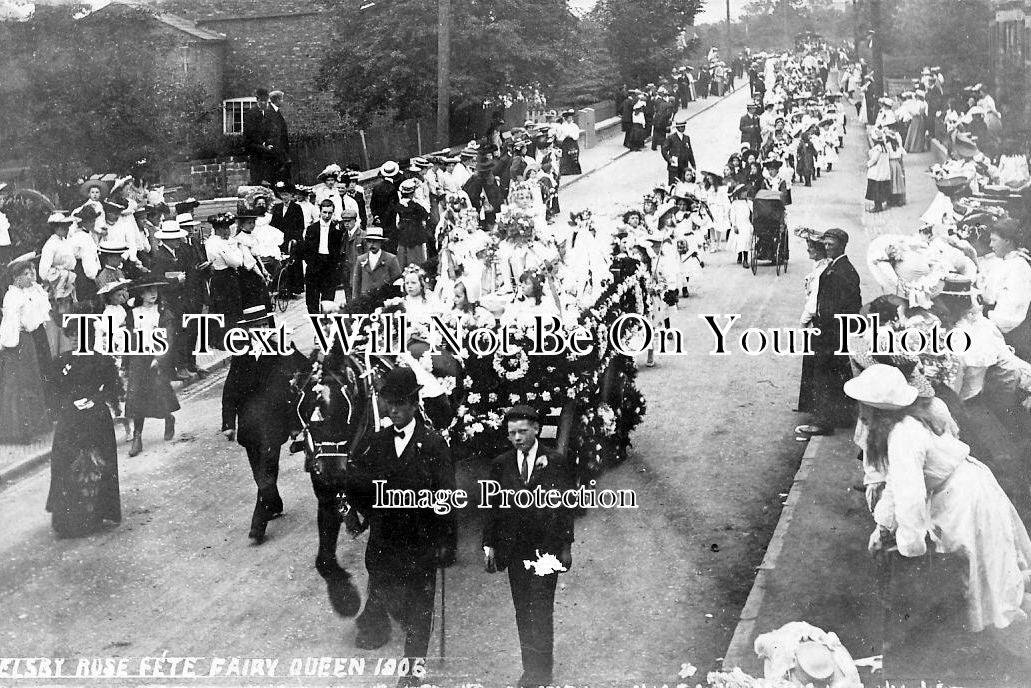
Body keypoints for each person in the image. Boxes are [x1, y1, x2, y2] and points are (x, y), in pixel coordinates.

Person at [844, 364, 1031, 635]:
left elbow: (910, 498)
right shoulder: (907, 422)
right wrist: (883, 526)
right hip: (963, 485)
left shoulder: (902, 436)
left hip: (963, 496)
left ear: (875, 410)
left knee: (975, 561)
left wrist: (911, 549)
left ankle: (998, 635)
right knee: (985, 561)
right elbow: (896, 484)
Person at [343, 367, 456, 683]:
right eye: (389, 404)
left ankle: (412, 673)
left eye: (400, 405)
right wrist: (357, 508)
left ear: (415, 403)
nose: (393, 411)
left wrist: (446, 541)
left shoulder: (433, 444)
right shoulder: (377, 442)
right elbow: (360, 482)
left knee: (421, 609)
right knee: (394, 601)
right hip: (385, 542)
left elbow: (448, 494)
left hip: (421, 541)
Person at [482, 405, 574, 688]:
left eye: (523, 431)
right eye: (512, 433)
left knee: (541, 608)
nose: (517, 438)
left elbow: (566, 507)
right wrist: (489, 546)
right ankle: (529, 669)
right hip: (514, 549)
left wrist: (566, 546)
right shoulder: (501, 464)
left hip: (546, 549)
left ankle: (542, 671)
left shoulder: (555, 462)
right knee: (523, 609)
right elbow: (492, 507)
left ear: (536, 429)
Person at [221, 304, 296, 544]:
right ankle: (273, 502)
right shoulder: (241, 355)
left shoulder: (278, 350)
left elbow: (294, 382)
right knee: (259, 471)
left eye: (264, 325)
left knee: (268, 468)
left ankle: (258, 525)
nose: (261, 330)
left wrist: (295, 423)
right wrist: (228, 423)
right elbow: (230, 389)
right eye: (256, 327)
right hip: (249, 425)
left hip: (274, 423)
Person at [45, 317, 122, 538]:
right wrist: (70, 403)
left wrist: (96, 398)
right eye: (73, 336)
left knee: (98, 464)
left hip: (96, 418)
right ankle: (69, 520)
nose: (77, 340)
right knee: (67, 463)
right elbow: (53, 391)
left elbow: (112, 386)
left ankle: (95, 516)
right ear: (68, 337)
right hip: (71, 420)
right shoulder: (60, 361)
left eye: (82, 335)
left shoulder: (102, 360)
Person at [797, 228, 861, 435]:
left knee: (824, 374)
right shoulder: (836, 266)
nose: (826, 248)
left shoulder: (843, 271)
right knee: (835, 373)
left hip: (832, 331)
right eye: (825, 244)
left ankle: (823, 422)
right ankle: (841, 416)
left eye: (830, 244)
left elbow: (842, 305)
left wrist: (824, 327)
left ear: (842, 245)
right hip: (832, 329)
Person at [121, 278, 179, 458]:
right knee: (137, 396)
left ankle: (168, 418)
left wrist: (159, 358)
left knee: (159, 393)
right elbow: (128, 338)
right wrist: (126, 362)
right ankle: (138, 437)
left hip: (156, 358)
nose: (153, 294)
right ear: (140, 294)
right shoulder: (132, 314)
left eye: (154, 290)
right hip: (138, 358)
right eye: (148, 290)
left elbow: (168, 338)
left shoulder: (162, 313)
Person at [0, 253, 54, 442]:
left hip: (29, 340)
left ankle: (37, 425)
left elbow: (39, 316)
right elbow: (10, 322)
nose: (31, 276)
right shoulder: (12, 296)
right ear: (16, 277)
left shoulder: (28, 293)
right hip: (20, 342)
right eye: (26, 273)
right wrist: (9, 345)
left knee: (34, 381)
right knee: (21, 385)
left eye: (32, 272)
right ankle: (19, 431)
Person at [985, 218, 1031, 360]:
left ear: (1007, 241)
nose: (990, 244)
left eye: (994, 240)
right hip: (992, 319)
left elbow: (1011, 313)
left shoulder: (1019, 266)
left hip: (1009, 334)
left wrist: (986, 321)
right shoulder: (1003, 261)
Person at [796, 229, 830, 415]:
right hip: (816, 318)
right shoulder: (818, 266)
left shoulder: (822, 270)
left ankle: (813, 406)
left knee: (814, 363)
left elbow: (814, 301)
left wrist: (803, 322)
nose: (808, 250)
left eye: (811, 247)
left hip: (816, 319)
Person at [204, 213, 244, 349]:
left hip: (217, 278)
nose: (228, 231)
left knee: (219, 308)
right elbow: (236, 262)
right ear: (218, 229)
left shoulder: (209, 241)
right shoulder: (221, 243)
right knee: (230, 308)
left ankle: (219, 338)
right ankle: (229, 339)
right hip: (226, 276)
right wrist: (236, 249)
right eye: (225, 228)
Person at [299, 199, 345, 314]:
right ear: (320, 212)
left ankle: (326, 326)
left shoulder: (337, 229)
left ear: (333, 213)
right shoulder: (311, 229)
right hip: (315, 266)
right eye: (324, 212)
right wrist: (311, 263)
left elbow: (340, 250)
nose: (327, 215)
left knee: (328, 300)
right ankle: (315, 324)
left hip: (330, 267)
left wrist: (336, 266)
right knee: (312, 300)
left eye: (330, 213)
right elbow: (306, 250)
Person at [269, 182, 306, 298]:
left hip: (292, 240)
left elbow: (300, 226)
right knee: (280, 263)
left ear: (291, 195)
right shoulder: (277, 208)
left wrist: (293, 238)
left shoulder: (296, 208)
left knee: (292, 264)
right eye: (282, 195)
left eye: (286, 195)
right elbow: (273, 224)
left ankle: (292, 288)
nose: (284, 197)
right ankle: (281, 287)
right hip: (279, 240)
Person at [351, 226, 402, 298]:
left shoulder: (391, 259)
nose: (372, 244)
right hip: (365, 301)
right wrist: (355, 302)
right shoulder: (361, 259)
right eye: (369, 241)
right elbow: (356, 284)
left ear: (381, 242)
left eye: (375, 241)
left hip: (384, 300)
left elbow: (397, 282)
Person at [242, 88, 276, 185]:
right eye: (261, 100)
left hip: (262, 144)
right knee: (260, 159)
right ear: (257, 100)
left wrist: (269, 143)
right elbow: (251, 133)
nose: (263, 103)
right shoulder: (251, 113)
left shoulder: (267, 113)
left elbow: (269, 131)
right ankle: (257, 182)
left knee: (274, 151)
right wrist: (264, 144)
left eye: (265, 100)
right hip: (252, 144)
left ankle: (269, 182)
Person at [662, 114, 697, 185]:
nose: (683, 128)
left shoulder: (687, 138)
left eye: (684, 126)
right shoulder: (671, 138)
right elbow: (664, 150)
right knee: (674, 184)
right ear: (677, 128)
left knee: (684, 183)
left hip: (684, 166)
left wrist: (693, 164)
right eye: (681, 127)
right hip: (674, 166)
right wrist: (669, 159)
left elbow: (690, 152)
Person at [267, 90, 292, 183]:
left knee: (285, 165)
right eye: (281, 99)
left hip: (281, 147)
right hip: (276, 147)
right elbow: (271, 131)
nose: (282, 101)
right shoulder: (269, 112)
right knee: (279, 167)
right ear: (277, 100)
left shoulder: (276, 111)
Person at [865, 129, 892, 213]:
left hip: (876, 172)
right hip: (883, 171)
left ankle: (877, 207)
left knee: (875, 190)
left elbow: (874, 160)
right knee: (881, 189)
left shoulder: (877, 149)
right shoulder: (886, 148)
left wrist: (868, 164)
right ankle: (879, 205)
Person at [556, 109, 582, 175]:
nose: (570, 118)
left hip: (573, 142)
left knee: (574, 155)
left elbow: (577, 135)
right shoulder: (562, 126)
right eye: (568, 117)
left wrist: (571, 135)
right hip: (565, 143)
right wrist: (564, 136)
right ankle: (566, 171)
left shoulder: (574, 126)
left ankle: (574, 170)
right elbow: (559, 136)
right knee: (566, 156)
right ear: (566, 118)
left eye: (571, 117)